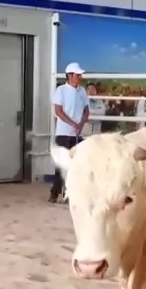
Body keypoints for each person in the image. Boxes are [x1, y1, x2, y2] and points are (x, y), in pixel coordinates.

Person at [48, 62, 89, 204]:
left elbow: (86, 110)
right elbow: (58, 111)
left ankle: (70, 192)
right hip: (64, 133)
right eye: (77, 75)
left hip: (77, 133)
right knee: (61, 164)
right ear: (70, 75)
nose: (79, 77)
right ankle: (55, 192)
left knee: (76, 165)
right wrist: (73, 124)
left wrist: (81, 124)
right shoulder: (61, 90)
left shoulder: (82, 91)